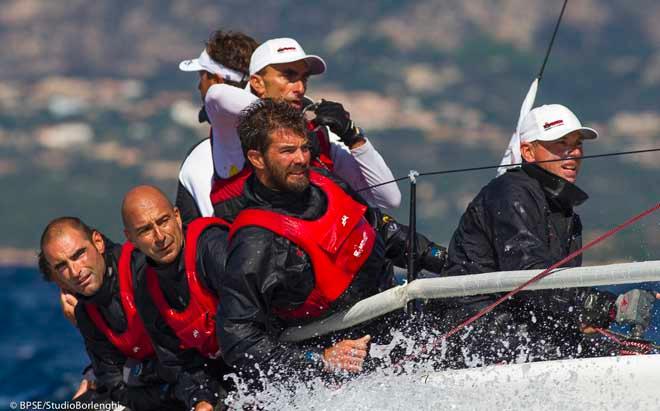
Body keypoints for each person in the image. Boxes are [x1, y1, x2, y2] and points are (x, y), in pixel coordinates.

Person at [216, 99, 446, 387]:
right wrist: (320, 359)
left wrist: (446, 262)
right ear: (257, 158)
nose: (300, 158)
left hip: (395, 324)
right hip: (340, 367)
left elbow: (382, 231)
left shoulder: (325, 181)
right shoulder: (255, 242)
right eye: (287, 151)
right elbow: (237, 338)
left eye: (304, 147)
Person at [441, 104, 657, 364]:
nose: (574, 152)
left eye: (577, 144)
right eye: (561, 143)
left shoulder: (563, 210)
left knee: (633, 356)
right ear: (528, 152)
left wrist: (589, 313)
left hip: (520, 327)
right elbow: (530, 277)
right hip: (476, 334)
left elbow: (556, 292)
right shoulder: (510, 192)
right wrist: (607, 307)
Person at [178, 36, 401, 223]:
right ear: (257, 83)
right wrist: (282, 118)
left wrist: (353, 135)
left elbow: (389, 198)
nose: (300, 87)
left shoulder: (317, 133)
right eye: (289, 75)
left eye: (304, 78)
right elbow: (216, 95)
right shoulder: (231, 131)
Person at [38, 217, 178, 410]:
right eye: (62, 267)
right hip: (159, 393)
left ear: (98, 242)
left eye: (79, 254)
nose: (75, 271)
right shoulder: (86, 313)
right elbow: (116, 385)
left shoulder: (142, 271)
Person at [122, 185, 232, 411]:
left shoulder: (212, 249)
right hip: (222, 375)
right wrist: (201, 398)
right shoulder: (146, 289)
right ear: (131, 239)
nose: (160, 237)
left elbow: (264, 320)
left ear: (177, 216)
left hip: (272, 359)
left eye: (163, 221)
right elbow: (177, 362)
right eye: (145, 230)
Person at [176, 30, 259, 222]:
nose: (199, 86)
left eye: (202, 76)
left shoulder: (199, 156)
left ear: (217, 80)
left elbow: (217, 95)